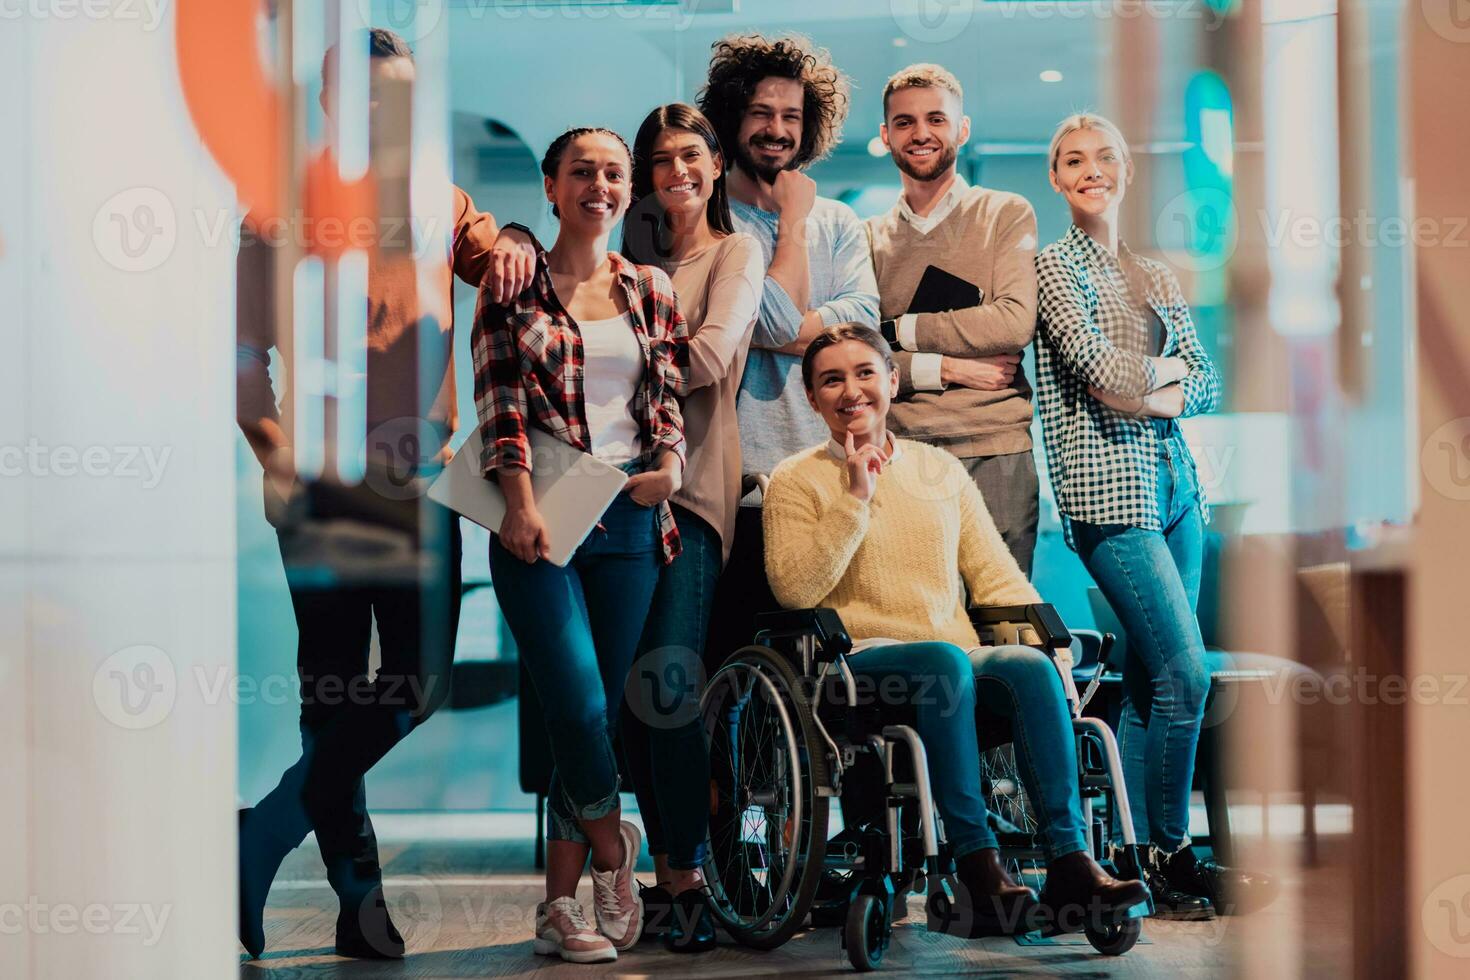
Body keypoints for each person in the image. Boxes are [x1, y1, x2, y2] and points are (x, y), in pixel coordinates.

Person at [233, 28, 532, 960]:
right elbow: (241, 358)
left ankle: (262, 830)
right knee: (331, 691)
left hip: (423, 483)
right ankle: (360, 907)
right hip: (322, 482)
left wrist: (518, 237)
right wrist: (277, 454)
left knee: (420, 683)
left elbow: (511, 264)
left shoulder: (438, 201)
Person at [761, 323, 1148, 934]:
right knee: (944, 659)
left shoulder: (938, 470)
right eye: (830, 379)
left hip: (954, 663)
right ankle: (977, 861)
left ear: (892, 381)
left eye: (865, 373)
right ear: (811, 398)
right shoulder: (795, 479)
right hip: (858, 667)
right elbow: (797, 590)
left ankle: (1071, 862)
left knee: (1024, 665)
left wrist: (1049, 639)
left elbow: (994, 576)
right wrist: (855, 498)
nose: (851, 390)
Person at [1034, 112, 1274, 918]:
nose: (1090, 169)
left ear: (1126, 169)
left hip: (1177, 487)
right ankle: (1174, 852)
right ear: (1058, 180)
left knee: (1147, 686)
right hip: (1111, 497)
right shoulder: (1053, 269)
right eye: (1073, 160)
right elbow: (1096, 368)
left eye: (1104, 156)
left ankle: (1137, 858)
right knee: (1186, 671)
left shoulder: (1159, 274)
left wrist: (1148, 385)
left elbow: (1204, 383)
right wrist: (1150, 380)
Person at [474, 127, 688, 965]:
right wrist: (519, 504)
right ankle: (613, 856)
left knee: (593, 714)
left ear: (624, 188)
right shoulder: (513, 278)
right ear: (551, 186)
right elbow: (499, 401)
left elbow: (665, 392)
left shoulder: (651, 287)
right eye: (581, 172)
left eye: (612, 173)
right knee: (575, 705)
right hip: (536, 520)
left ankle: (562, 909)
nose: (598, 185)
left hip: (631, 518)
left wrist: (669, 462)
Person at [617, 103, 763, 953]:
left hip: (697, 493)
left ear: (713, 165)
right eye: (661, 159)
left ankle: (694, 876)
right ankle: (669, 869)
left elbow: (710, 356)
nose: (677, 170)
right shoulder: (631, 260)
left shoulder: (733, 254)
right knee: (631, 705)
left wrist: (608, 367)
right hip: (619, 498)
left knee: (672, 689)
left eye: (691, 155)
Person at [695, 32, 880, 666]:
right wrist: (793, 224)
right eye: (761, 113)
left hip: (830, 477)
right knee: (732, 670)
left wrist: (794, 324)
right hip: (740, 489)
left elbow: (865, 326)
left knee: (826, 680)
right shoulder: (710, 223)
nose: (777, 130)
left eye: (792, 117)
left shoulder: (841, 222)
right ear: (732, 120)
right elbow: (778, 322)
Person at [867, 63, 1040, 576]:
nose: (921, 133)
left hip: (997, 451)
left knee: (1006, 637)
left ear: (962, 129)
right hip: (902, 454)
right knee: (921, 640)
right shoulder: (867, 238)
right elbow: (863, 360)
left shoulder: (1005, 213)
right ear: (886, 135)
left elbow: (1012, 323)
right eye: (904, 122)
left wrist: (900, 328)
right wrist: (952, 368)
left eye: (936, 119)